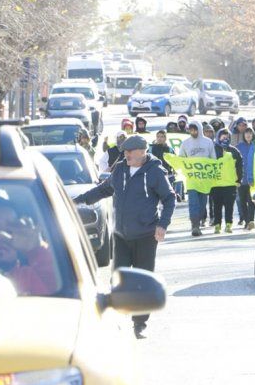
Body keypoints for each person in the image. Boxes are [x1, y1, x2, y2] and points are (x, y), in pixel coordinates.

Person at [74, 135, 176, 338]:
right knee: (117, 279)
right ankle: (113, 321)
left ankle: (139, 323)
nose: (126, 154)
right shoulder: (120, 169)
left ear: (142, 151)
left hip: (146, 235)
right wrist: (78, 201)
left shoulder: (154, 171)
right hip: (121, 234)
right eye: (124, 151)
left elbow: (169, 197)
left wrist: (162, 225)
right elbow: (104, 189)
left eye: (130, 151)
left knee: (142, 280)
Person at [179, 121, 217, 235]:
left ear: (199, 129)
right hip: (192, 179)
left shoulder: (208, 142)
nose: (193, 132)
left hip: (204, 179)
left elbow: (213, 159)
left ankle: (199, 221)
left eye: (195, 130)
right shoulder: (185, 143)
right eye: (191, 130)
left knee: (202, 203)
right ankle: (194, 225)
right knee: (193, 202)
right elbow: (181, 158)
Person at [211, 129, 243, 234]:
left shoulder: (234, 151)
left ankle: (229, 224)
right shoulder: (213, 150)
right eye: (222, 136)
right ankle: (217, 225)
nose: (225, 138)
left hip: (230, 183)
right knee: (217, 206)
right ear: (218, 137)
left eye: (227, 136)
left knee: (229, 206)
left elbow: (239, 166)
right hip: (216, 184)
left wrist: (239, 179)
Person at [236, 127, 255, 230]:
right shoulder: (239, 146)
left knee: (251, 201)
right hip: (241, 178)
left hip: (253, 178)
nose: (248, 135)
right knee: (242, 201)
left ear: (253, 134)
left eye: (250, 133)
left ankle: (251, 220)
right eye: (246, 133)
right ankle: (246, 220)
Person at [148, 130, 178, 201]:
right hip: (154, 177)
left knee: (168, 198)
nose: (159, 138)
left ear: (165, 138)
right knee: (154, 198)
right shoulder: (151, 149)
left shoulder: (170, 149)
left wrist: (175, 171)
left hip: (168, 177)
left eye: (162, 137)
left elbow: (175, 162)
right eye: (158, 136)